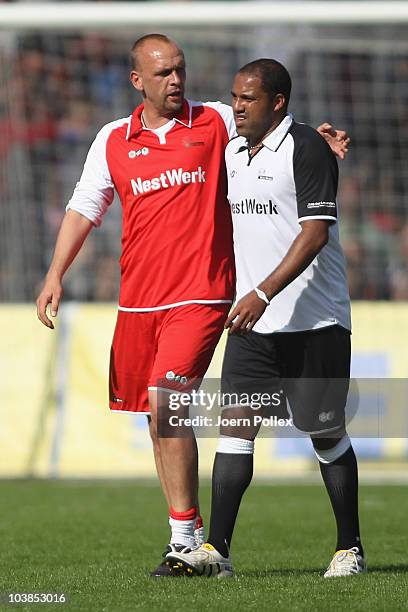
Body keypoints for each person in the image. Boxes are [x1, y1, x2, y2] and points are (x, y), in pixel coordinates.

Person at [36, 37, 349, 577]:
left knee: (170, 398)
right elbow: (86, 204)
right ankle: (187, 537)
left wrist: (314, 140)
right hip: (138, 303)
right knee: (160, 419)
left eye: (180, 70)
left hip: (204, 295)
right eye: (162, 73)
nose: (176, 80)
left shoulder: (217, 120)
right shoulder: (112, 139)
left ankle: (192, 543)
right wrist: (54, 273)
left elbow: (275, 126)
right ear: (138, 81)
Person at [167, 59, 365, 578]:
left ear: (277, 102)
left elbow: (316, 231)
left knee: (324, 432)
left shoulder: (307, 147)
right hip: (255, 324)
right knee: (235, 428)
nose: (236, 106)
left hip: (315, 321)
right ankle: (218, 550)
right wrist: (251, 298)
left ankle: (349, 548)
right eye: (233, 96)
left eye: (248, 99)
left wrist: (261, 291)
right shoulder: (231, 149)